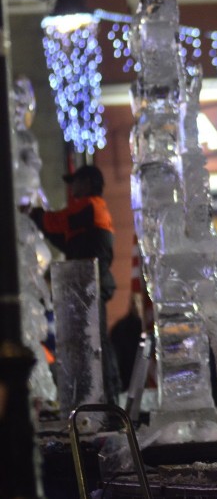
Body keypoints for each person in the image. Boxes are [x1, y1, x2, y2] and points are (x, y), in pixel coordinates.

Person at [29, 164, 121, 401]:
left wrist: (36, 215)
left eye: (76, 182)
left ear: (89, 183)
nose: (72, 188)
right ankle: (103, 399)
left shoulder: (89, 207)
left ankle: (110, 400)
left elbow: (58, 221)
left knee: (97, 344)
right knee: (94, 344)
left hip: (91, 284)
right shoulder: (86, 215)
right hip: (86, 285)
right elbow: (66, 241)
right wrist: (42, 222)